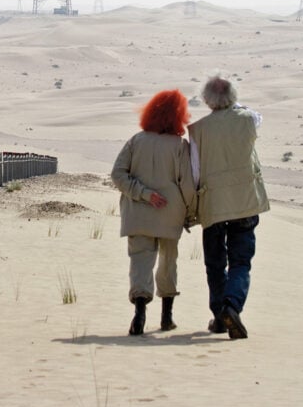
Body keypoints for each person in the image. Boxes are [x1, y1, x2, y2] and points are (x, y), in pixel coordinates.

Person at [188, 75, 270, 340]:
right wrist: (232, 104)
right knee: (240, 261)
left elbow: (195, 171)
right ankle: (231, 306)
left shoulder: (198, 130)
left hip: (213, 203)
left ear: (206, 100)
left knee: (214, 263)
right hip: (244, 202)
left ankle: (220, 316)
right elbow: (254, 114)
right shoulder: (248, 119)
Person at [111, 89, 197, 336]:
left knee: (140, 261)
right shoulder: (180, 146)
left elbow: (118, 175)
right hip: (171, 212)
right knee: (168, 262)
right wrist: (190, 213)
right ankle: (166, 318)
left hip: (137, 213)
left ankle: (139, 314)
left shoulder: (136, 141)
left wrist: (144, 194)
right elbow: (187, 184)